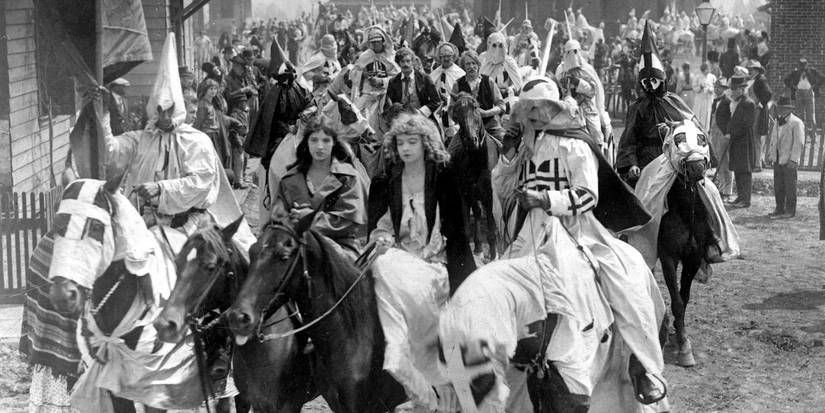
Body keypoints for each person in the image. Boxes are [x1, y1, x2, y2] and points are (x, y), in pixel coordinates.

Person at [492, 77, 668, 409]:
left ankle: (642, 363)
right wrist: (507, 156)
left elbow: (588, 195)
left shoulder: (575, 145)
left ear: (553, 109)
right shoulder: (524, 147)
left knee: (625, 278)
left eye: (540, 108)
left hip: (576, 229)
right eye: (528, 109)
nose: (533, 115)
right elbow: (502, 191)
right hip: (529, 231)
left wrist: (546, 199)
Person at [100, 33, 254, 254]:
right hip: (144, 222)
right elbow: (110, 151)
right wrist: (103, 112)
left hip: (187, 225)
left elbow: (201, 183)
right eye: (160, 110)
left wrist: (160, 188)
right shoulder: (141, 139)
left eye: (170, 110)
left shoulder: (196, 140)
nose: (164, 117)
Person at [368, 112, 475, 410]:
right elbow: (384, 223)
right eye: (400, 142)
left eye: (412, 142)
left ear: (425, 143)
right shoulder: (390, 179)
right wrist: (383, 237)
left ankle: (439, 385)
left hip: (436, 262)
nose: (405, 148)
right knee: (379, 270)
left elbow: (455, 229)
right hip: (401, 259)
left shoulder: (443, 176)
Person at [270, 118, 369, 258]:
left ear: (334, 143)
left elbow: (349, 222)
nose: (320, 146)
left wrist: (309, 219)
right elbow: (277, 218)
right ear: (306, 143)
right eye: (314, 140)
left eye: (326, 140)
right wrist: (290, 221)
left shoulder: (348, 177)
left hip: (339, 247)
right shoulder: (290, 180)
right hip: (295, 245)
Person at [616, 22, 696, 187]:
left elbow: (690, 128)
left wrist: (672, 128)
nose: (649, 86)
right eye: (645, 81)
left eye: (653, 81)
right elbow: (628, 141)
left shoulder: (674, 102)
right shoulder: (637, 108)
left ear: (661, 80)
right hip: (646, 162)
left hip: (674, 159)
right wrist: (632, 164)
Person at [452, 50, 506, 141]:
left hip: (490, 126)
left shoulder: (489, 81)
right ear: (463, 66)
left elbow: (501, 106)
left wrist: (486, 113)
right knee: (451, 147)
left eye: (474, 63)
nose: (471, 66)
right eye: (468, 64)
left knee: (503, 144)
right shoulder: (457, 84)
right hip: (466, 130)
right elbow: (452, 110)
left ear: (478, 64)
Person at [767, 96, 804, 219]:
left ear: (789, 109)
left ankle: (790, 210)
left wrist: (794, 160)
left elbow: (799, 143)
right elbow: (774, 139)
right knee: (778, 185)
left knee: (790, 186)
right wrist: (771, 154)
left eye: (784, 108)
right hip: (778, 158)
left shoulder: (796, 123)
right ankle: (779, 208)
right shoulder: (777, 121)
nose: (781, 110)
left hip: (789, 159)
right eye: (779, 108)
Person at [386, 47, 442, 124]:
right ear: (398, 63)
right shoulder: (393, 81)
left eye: (408, 61)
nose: (405, 64)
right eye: (402, 61)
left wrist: (421, 112)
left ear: (412, 62)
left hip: (422, 118)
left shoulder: (425, 78)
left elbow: (436, 101)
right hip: (401, 120)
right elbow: (390, 104)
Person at [726, 74, 757, 209]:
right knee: (738, 169)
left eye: (735, 89)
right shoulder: (736, 102)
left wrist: (733, 133)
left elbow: (747, 124)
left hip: (744, 141)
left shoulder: (749, 103)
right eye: (732, 89)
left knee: (745, 170)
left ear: (742, 89)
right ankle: (740, 196)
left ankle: (746, 199)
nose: (732, 92)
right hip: (736, 141)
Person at [429, 42, 465, 135]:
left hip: (454, 114)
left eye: (449, 56)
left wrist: (449, 102)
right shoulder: (434, 73)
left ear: (453, 56)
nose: (446, 58)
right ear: (439, 57)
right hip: (437, 113)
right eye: (443, 56)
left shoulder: (460, 74)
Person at [783, 58, 823, 136]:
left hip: (809, 93)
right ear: (799, 65)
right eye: (801, 65)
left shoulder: (812, 71)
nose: (803, 66)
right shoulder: (796, 72)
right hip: (799, 93)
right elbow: (786, 80)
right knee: (799, 114)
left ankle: (813, 134)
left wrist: (815, 86)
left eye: (804, 64)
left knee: (811, 114)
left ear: (807, 64)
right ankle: (801, 134)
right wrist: (793, 87)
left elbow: (822, 78)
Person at [479, 31, 523, 102]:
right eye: (494, 45)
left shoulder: (510, 62)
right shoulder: (483, 59)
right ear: (489, 45)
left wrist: (510, 90)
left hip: (506, 98)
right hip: (486, 98)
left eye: (500, 45)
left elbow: (518, 84)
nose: (497, 49)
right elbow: (478, 81)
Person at [710, 78, 734, 200]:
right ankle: (721, 188)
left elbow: (731, 119)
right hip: (714, 133)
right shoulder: (714, 101)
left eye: (719, 87)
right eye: (715, 87)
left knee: (725, 163)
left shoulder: (728, 102)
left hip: (723, 134)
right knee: (718, 162)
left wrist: (728, 133)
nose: (716, 89)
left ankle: (727, 192)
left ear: (724, 89)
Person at [747, 60, 773, 169]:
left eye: (752, 70)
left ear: (757, 70)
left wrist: (761, 104)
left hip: (759, 111)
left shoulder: (761, 80)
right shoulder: (755, 80)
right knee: (754, 137)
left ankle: (757, 164)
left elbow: (768, 94)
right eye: (750, 70)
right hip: (754, 111)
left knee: (756, 137)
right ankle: (757, 161)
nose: (750, 72)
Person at [693, 62, 717, 132]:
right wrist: (700, 87)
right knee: (700, 114)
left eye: (708, 69)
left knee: (708, 114)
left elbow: (716, 87)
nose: (707, 71)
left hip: (709, 98)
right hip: (700, 99)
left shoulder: (712, 77)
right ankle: (699, 130)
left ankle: (707, 130)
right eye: (705, 70)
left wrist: (711, 89)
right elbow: (694, 88)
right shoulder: (697, 77)